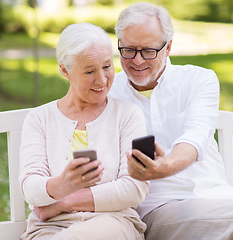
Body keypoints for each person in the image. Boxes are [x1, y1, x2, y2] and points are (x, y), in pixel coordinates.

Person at [109, 2, 233, 240]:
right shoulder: (108, 93)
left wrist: (164, 167)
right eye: (128, 50)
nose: (136, 61)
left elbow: (194, 138)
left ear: (168, 48)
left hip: (220, 201)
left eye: (148, 51)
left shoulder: (198, 80)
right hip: (161, 208)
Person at [19, 22, 149, 240]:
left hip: (113, 223)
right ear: (64, 70)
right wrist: (60, 184)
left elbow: (137, 186)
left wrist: (63, 202)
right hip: (49, 228)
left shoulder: (129, 114)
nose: (101, 79)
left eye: (107, 66)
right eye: (89, 71)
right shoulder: (39, 118)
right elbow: (30, 186)